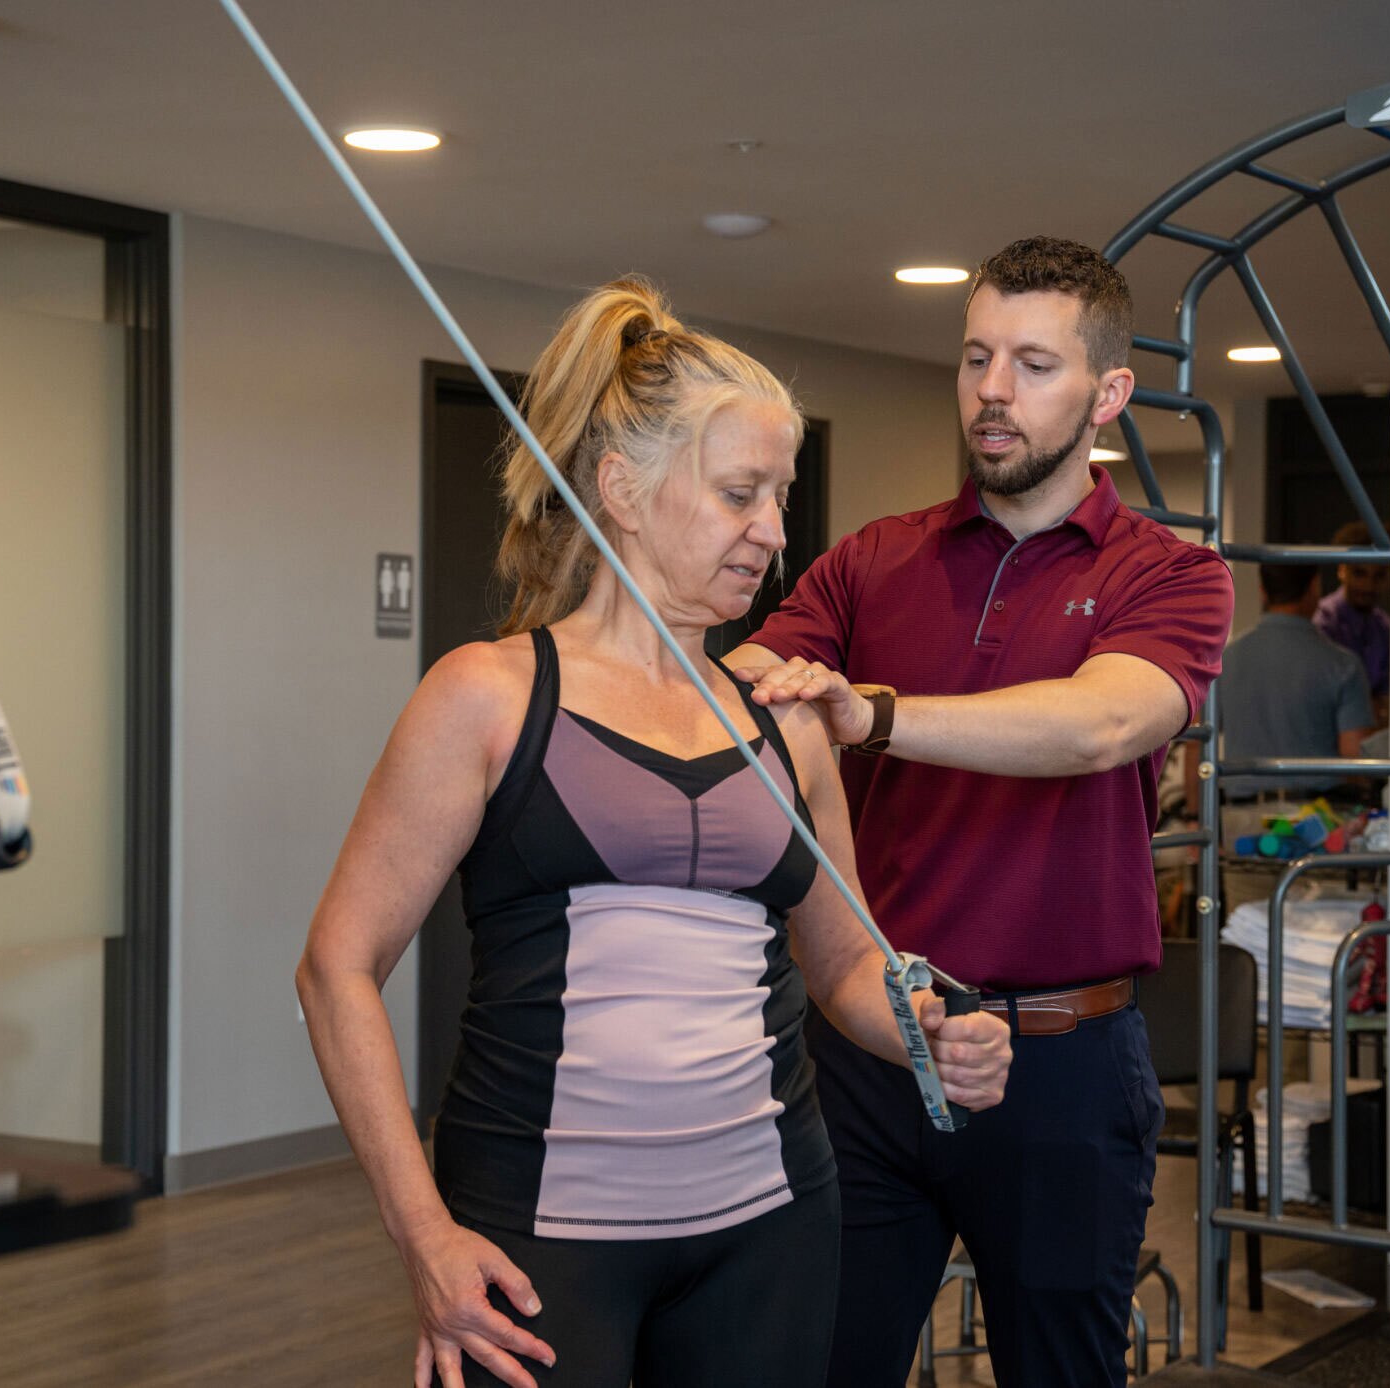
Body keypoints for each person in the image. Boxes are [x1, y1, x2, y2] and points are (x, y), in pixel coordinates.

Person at [295, 278, 1011, 1388]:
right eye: (738, 493)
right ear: (621, 488)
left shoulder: (786, 717)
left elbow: (843, 962)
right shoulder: (485, 697)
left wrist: (927, 1029)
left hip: (771, 1224)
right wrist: (422, 1235)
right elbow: (336, 966)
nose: (771, 532)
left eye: (779, 495)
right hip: (538, 1238)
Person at [728, 236, 1234, 1387]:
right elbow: (737, 694)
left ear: (1108, 393)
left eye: (1033, 363)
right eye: (975, 357)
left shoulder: (1173, 573)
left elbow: (1102, 723)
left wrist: (873, 716)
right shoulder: (869, 561)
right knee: (817, 1363)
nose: (992, 391)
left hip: (1058, 1063)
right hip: (867, 1052)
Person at [1218, 563, 1375, 803]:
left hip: (1240, 817)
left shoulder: (1224, 660)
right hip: (1318, 819)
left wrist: (1194, 818)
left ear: (1262, 591)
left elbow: (1197, 746)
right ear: (1314, 587)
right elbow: (1355, 756)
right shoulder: (1342, 664)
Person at [1313, 520, 1390, 721]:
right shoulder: (1322, 622)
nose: (1368, 585)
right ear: (1342, 570)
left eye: (1379, 575)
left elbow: (1389, 699)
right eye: (1359, 573)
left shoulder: (1384, 627)